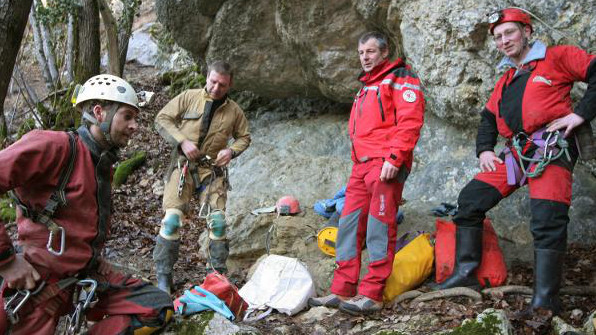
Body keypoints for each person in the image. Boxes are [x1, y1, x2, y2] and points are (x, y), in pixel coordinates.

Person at [434, 8, 596, 315]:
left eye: (510, 32)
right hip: (517, 154)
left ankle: (546, 300)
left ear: (527, 32)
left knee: (547, 220)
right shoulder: (507, 79)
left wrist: (580, 113)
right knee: (470, 200)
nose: (504, 40)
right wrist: (484, 150)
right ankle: (467, 274)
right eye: (498, 37)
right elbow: (487, 118)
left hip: (552, 148)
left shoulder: (557, 57)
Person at [0, 74, 173, 334]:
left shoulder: (101, 164)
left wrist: (93, 254)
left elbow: (79, 218)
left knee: (158, 308)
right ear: (100, 113)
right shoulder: (54, 146)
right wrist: (6, 261)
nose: (135, 125)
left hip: (83, 277)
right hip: (37, 283)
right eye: (127, 116)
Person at [309, 32, 425, 315]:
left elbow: (410, 121)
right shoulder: (366, 86)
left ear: (384, 53)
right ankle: (342, 289)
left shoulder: (400, 78)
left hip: (385, 164)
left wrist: (395, 158)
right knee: (348, 225)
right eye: (361, 53)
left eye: (370, 52)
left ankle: (372, 294)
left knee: (378, 227)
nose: (365, 57)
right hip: (361, 167)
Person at [153, 61, 251, 294]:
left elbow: (244, 137)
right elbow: (162, 119)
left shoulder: (234, 111)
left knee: (217, 223)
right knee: (172, 220)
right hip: (183, 167)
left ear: (230, 84)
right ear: (207, 77)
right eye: (213, 81)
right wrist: (182, 141)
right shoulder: (188, 97)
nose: (217, 88)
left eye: (223, 85)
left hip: (212, 172)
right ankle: (164, 277)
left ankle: (216, 277)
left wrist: (231, 151)